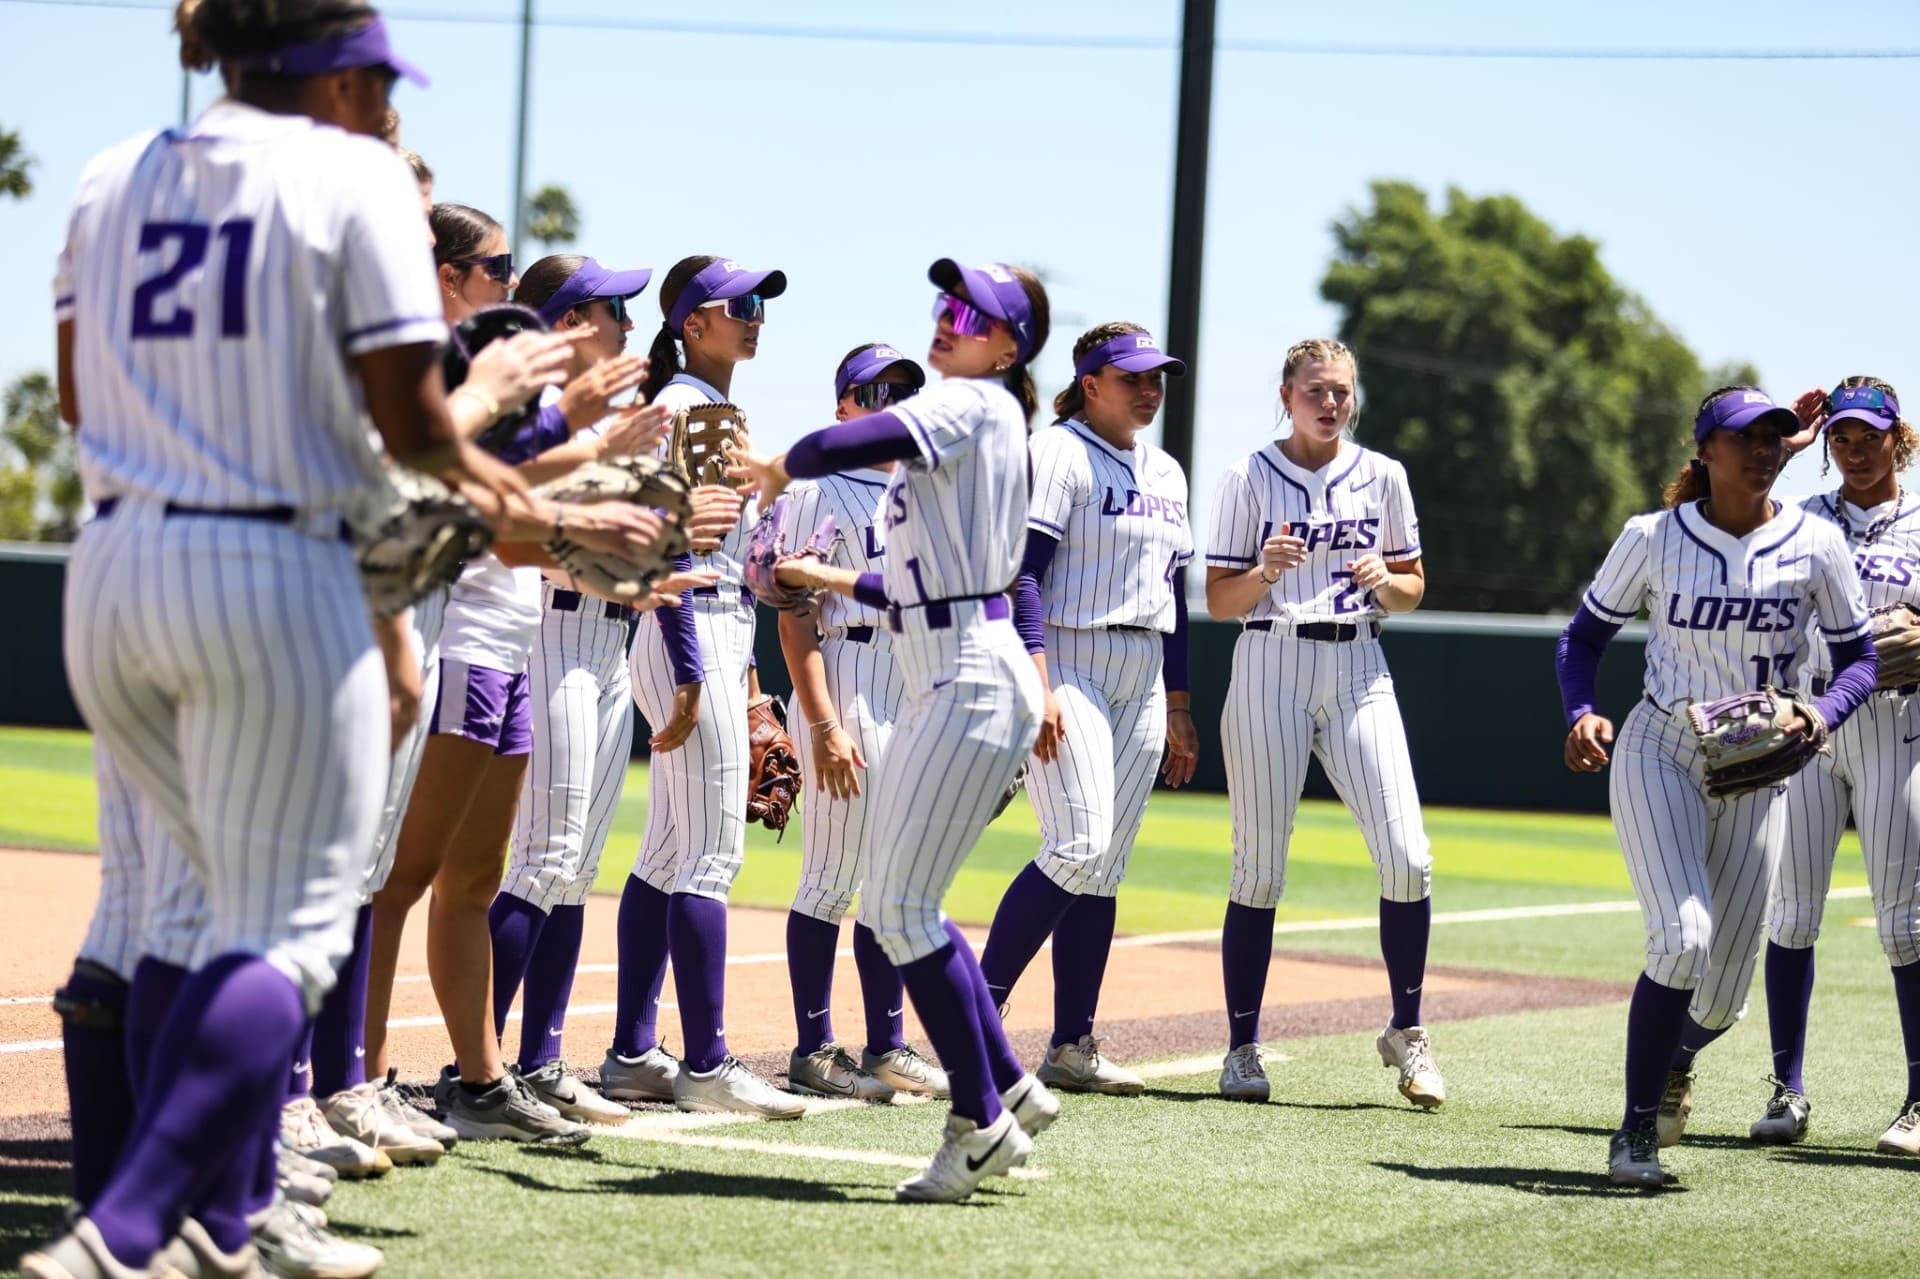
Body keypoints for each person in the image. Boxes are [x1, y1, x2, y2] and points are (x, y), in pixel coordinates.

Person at [26, 5, 526, 1273]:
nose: (376, 101)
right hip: (268, 566)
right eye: (369, 76)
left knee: (170, 917)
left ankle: (208, 1222)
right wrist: (503, 453)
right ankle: (134, 1226)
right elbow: (412, 424)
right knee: (297, 929)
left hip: (113, 564)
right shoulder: (349, 175)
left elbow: (77, 395)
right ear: (327, 72)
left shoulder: (113, 170)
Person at [728, 257, 1064, 1203]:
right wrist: (832, 580)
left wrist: (774, 463)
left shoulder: (978, 403)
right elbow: (923, 581)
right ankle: (1007, 1080)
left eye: (973, 311)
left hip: (964, 676)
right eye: (946, 302)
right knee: (901, 901)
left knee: (898, 908)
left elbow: (862, 434)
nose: (949, 317)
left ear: (1010, 345)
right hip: (946, 664)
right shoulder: (974, 428)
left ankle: (980, 1121)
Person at [364, 238, 661, 1146]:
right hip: (460, 649)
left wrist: (631, 576)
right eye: (614, 310)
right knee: (397, 877)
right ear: (570, 321)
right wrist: (594, 456)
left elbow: (528, 537)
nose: (625, 324)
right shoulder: (485, 387)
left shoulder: (537, 405)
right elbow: (482, 522)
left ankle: (480, 1077)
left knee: (474, 879)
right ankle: (359, 1073)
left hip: (510, 649)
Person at [1556, 385, 1877, 1187]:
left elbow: (1860, 658)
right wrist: (1583, 711)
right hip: (1661, 745)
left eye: (1775, 435)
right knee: (1683, 938)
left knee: (1724, 996)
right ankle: (1632, 1133)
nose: (1765, 447)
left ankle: (1674, 1063)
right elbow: (1582, 638)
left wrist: (1824, 713)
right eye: (1746, 436)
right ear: (1706, 450)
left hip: (1760, 767)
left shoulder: (1817, 544)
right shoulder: (1653, 536)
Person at [1203, 338, 1441, 1109]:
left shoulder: (1384, 475)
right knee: (1260, 867)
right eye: (1317, 389)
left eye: (1341, 389)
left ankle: (1407, 1030)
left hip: (1358, 665)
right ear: (1287, 393)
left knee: (1409, 857)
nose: (1331, 402)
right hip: (1270, 657)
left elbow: (1412, 588)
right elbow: (1218, 602)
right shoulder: (1247, 474)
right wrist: (1264, 571)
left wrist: (1389, 580)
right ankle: (1242, 1046)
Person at [601, 256, 805, 1118]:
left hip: (709, 628)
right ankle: (709, 1062)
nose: (757, 315)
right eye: (741, 304)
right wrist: (693, 673)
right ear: (694, 323)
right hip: (688, 626)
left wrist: (744, 671)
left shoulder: (706, 407)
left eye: (763, 304)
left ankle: (632, 1052)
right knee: (712, 855)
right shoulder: (696, 408)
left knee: (666, 851)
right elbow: (675, 550)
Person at [977, 322, 1198, 1095]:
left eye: (1157, 376)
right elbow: (1021, 576)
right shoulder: (1059, 451)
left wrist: (1178, 700)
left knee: (1103, 868)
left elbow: (1172, 590)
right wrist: (1034, 681)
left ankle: (1072, 1042)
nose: (1150, 388)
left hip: (1142, 665)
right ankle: (977, 1013)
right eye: (1132, 375)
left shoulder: (1167, 470)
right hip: (1066, 655)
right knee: (1077, 841)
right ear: (1092, 380)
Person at [1748, 378, 1920, 1154]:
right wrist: (1778, 459)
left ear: (1898, 438)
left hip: (1895, 722)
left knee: (1905, 922)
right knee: (1790, 913)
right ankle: (1788, 1090)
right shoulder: (1804, 518)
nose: (1853, 451)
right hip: (1810, 720)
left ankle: (1919, 1100)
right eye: (1840, 439)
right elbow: (1729, 521)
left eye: (1868, 437)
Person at [776, 343, 949, 1101]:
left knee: (890, 882)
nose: (896, 402)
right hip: (846, 677)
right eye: (880, 390)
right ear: (845, 403)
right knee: (830, 876)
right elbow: (793, 617)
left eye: (908, 391)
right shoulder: (815, 488)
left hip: (908, 683)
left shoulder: (918, 490)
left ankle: (886, 1044)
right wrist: (821, 722)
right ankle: (814, 1046)